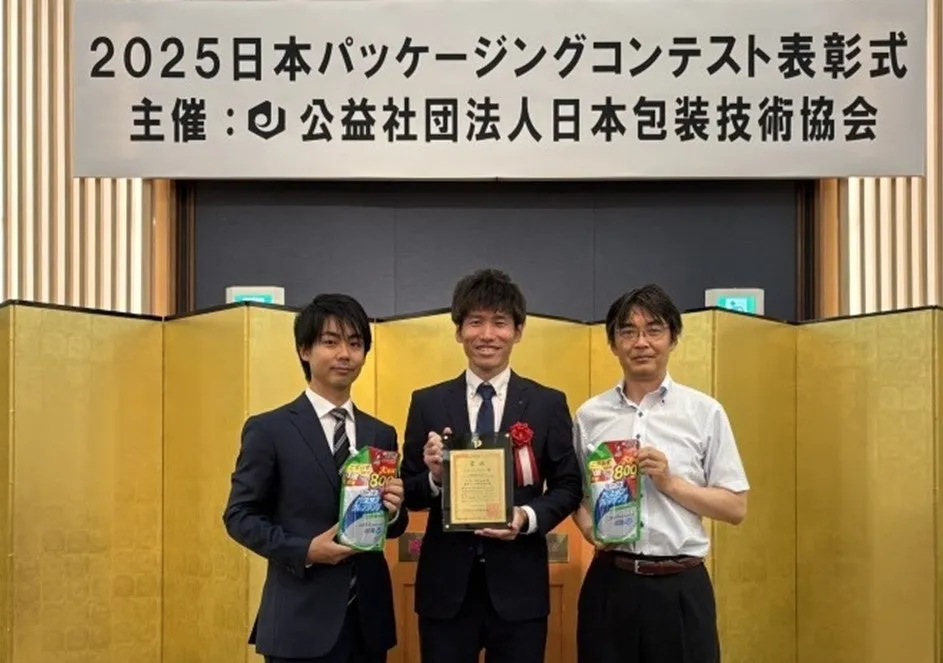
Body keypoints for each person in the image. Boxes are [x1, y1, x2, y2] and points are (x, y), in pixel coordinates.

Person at [400, 268, 583, 663]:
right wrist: (434, 479)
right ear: (458, 330)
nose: (487, 334)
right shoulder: (427, 402)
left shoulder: (547, 403)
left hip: (520, 589)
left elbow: (569, 485)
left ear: (518, 331)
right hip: (446, 591)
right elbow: (407, 491)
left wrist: (525, 517)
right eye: (475, 322)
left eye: (500, 322)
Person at [223, 293, 409, 663]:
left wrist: (395, 510)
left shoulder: (381, 432)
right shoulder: (269, 429)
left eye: (355, 343)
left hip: (368, 624)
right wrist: (305, 550)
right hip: (299, 621)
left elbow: (391, 526)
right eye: (330, 342)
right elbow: (239, 516)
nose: (345, 354)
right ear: (304, 350)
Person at [571, 283, 750, 663]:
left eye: (654, 330)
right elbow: (577, 496)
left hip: (681, 587)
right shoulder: (590, 416)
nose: (641, 342)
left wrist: (670, 483)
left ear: (673, 338)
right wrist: (589, 529)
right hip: (610, 583)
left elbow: (735, 507)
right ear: (613, 343)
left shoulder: (704, 412)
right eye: (628, 331)